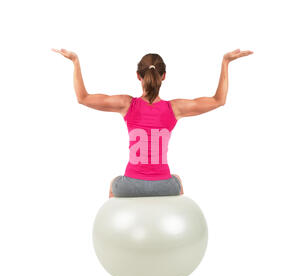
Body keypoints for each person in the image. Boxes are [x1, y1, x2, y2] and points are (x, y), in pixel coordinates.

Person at [51, 48, 253, 198]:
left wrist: (75, 61)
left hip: (130, 185)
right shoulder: (175, 108)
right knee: (178, 180)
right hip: (164, 186)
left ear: (138, 76)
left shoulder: (126, 104)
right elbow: (219, 100)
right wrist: (225, 62)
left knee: (113, 183)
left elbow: (83, 98)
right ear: (163, 76)